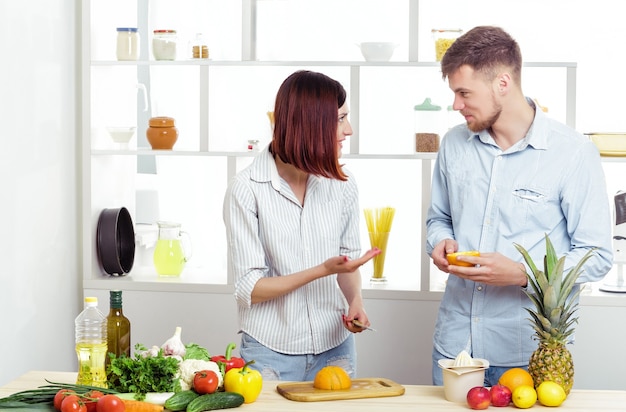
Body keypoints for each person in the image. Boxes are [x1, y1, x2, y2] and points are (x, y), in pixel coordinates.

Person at [426, 26, 613, 386]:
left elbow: (596, 254)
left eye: (464, 93)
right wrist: (440, 241)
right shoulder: (453, 144)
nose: (456, 105)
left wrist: (523, 274)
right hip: (454, 348)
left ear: (503, 83)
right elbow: (439, 218)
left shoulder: (572, 153)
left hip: (526, 356)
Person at [223, 70, 380, 382]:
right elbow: (249, 289)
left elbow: (346, 264)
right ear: (311, 124)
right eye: (340, 119)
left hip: (335, 346)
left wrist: (355, 301)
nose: (349, 130)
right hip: (270, 351)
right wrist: (322, 270)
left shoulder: (342, 184)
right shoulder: (247, 189)